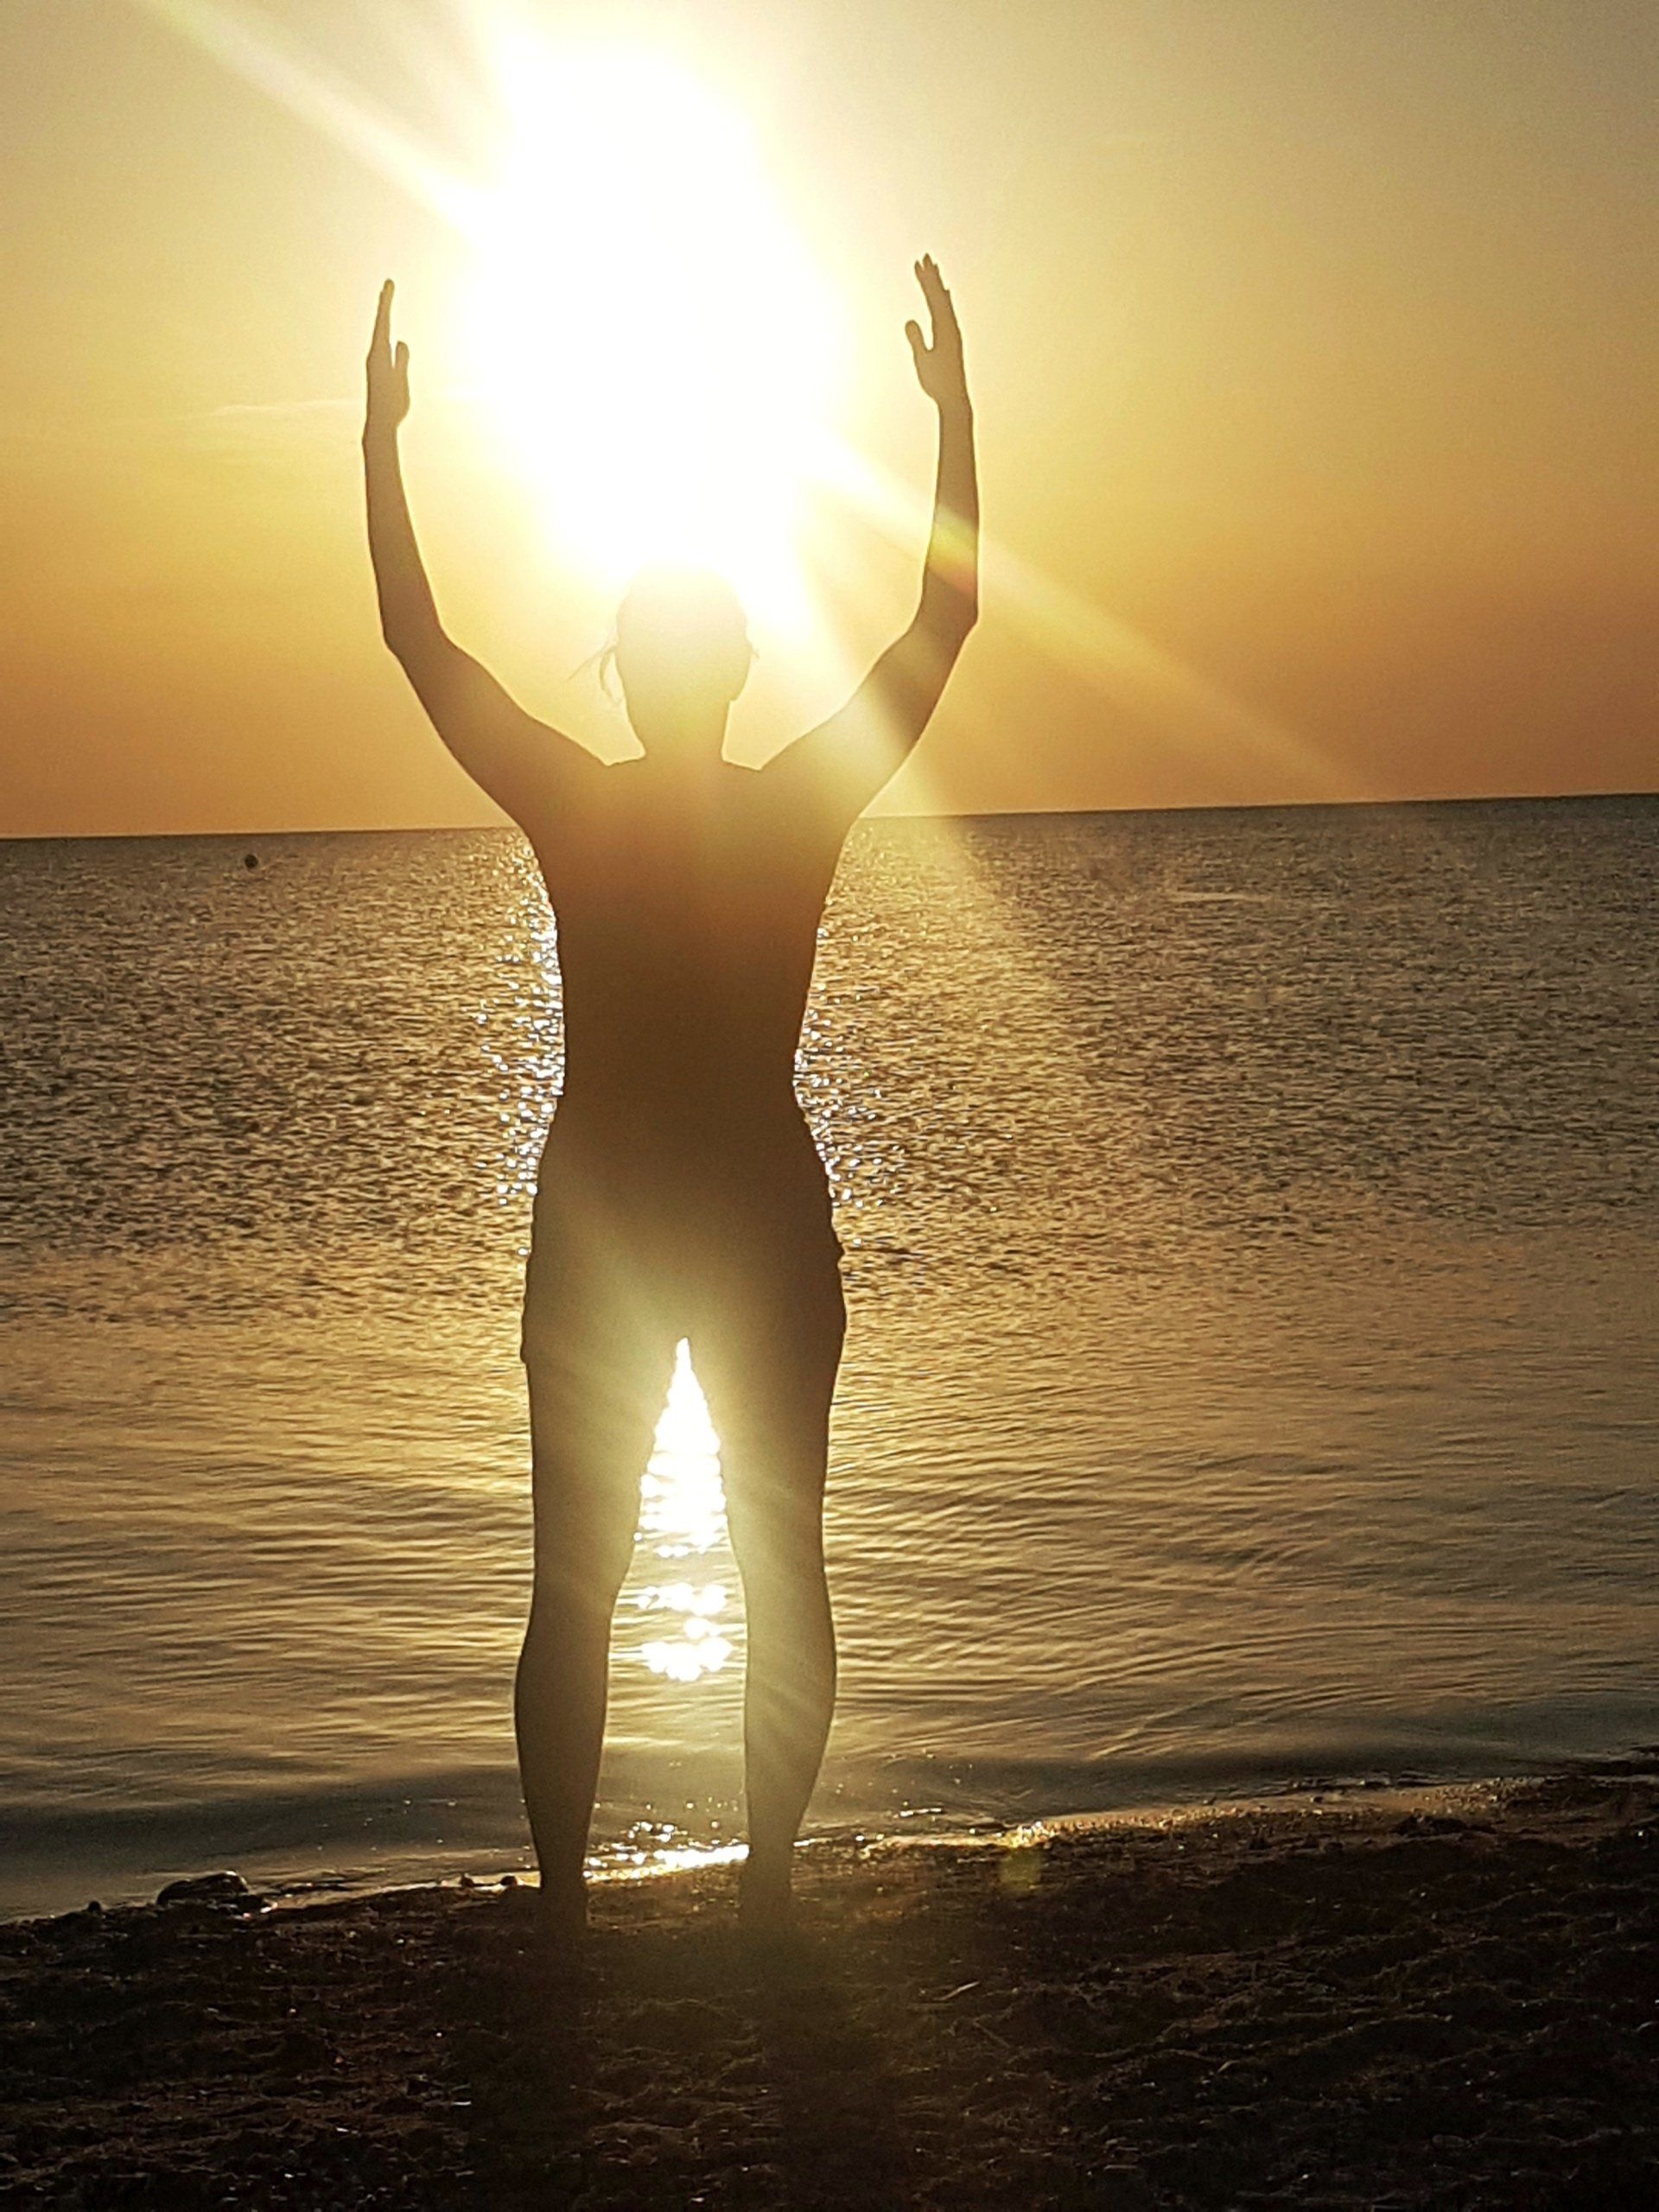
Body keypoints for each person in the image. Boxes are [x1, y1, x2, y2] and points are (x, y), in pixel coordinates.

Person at [363, 259, 977, 1936]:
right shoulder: (790, 808)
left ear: (635, 677)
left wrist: (381, 444)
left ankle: (573, 1908)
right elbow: (941, 625)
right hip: (749, 1216)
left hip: (620, 1225)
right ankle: (762, 1887)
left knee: (580, 1579)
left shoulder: (589, 808)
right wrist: (954, 422)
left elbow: (421, 641)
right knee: (778, 1566)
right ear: (737, 673)